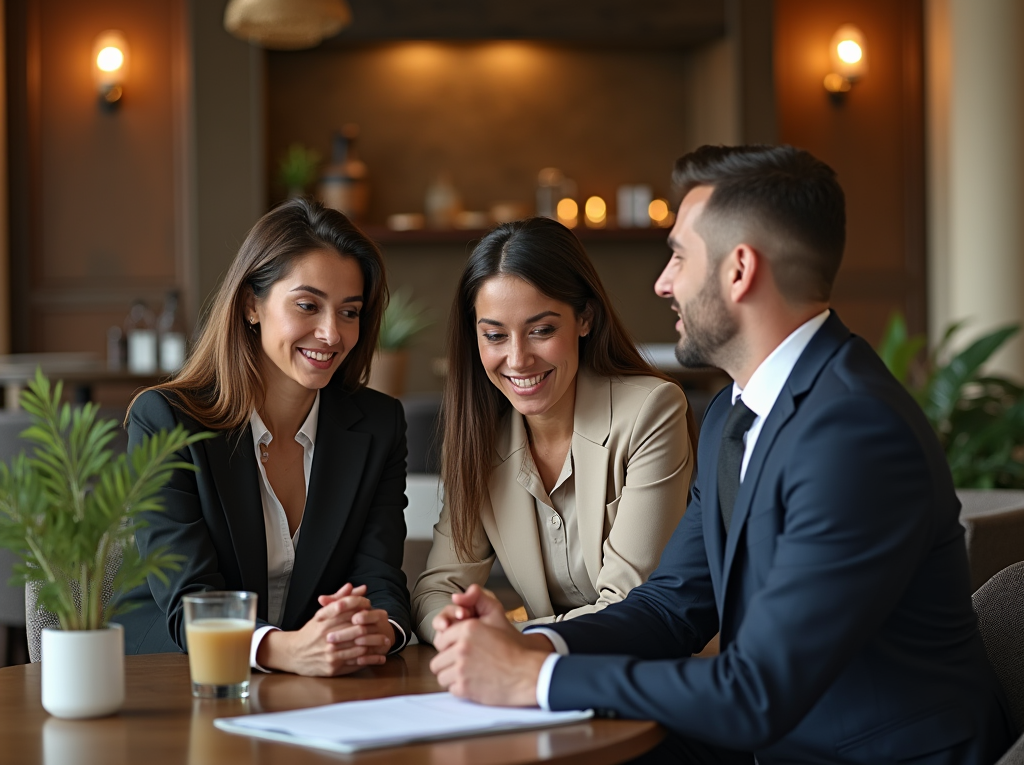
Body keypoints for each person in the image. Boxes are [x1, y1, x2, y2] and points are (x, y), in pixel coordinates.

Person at [426, 146, 1015, 764]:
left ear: (739, 271)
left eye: (679, 256)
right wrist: (534, 646)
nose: (662, 282)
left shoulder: (855, 434)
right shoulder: (734, 415)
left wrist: (534, 681)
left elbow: (758, 690)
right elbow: (671, 605)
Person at [116, 197, 412, 677]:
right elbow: (190, 598)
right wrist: (284, 650)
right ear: (252, 304)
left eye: (350, 312)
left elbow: (379, 577)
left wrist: (379, 627)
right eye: (307, 305)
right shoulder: (167, 420)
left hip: (312, 683)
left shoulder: (378, 425)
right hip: (169, 675)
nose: (331, 334)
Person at [411, 217, 696, 644]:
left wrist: (507, 637)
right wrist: (455, 630)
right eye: (494, 335)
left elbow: (630, 605)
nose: (518, 358)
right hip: (534, 678)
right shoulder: (480, 439)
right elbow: (437, 590)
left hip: (639, 671)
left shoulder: (652, 411)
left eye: (541, 330)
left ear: (585, 319)